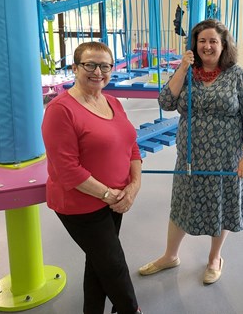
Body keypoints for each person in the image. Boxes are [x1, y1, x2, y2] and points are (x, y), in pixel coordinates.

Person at [139, 19, 243, 284]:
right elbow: (166, 102)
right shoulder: (188, 72)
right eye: (202, 41)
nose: (207, 46)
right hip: (190, 156)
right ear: (194, 44)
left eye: (213, 41)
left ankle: (215, 257)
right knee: (182, 204)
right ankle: (170, 255)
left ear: (223, 44)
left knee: (223, 206)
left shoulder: (236, 74)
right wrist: (182, 67)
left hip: (227, 157)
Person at [42, 42, 143, 314]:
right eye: (90, 65)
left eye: (105, 66)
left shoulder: (112, 102)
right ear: (75, 68)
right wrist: (109, 194)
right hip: (81, 204)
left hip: (115, 200)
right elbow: (68, 170)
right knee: (113, 265)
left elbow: (131, 146)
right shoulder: (60, 110)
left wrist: (133, 186)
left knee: (99, 263)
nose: (98, 71)